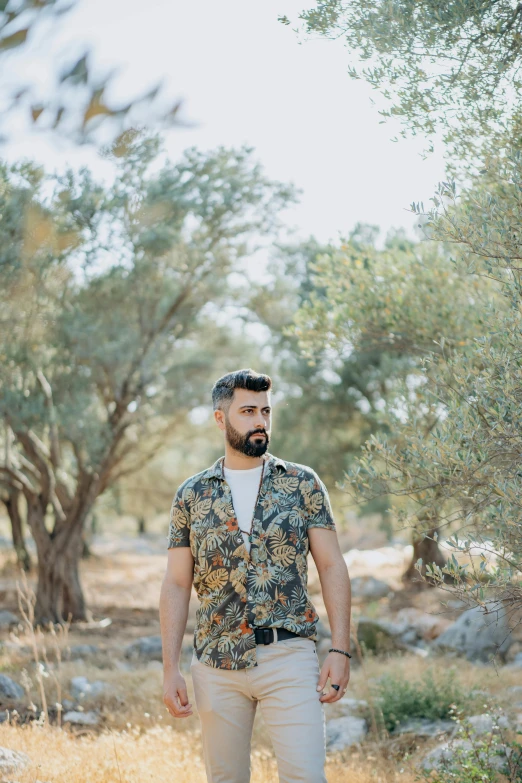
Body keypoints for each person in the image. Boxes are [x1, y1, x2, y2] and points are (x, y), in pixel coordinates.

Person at [160, 368, 352, 783]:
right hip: (216, 663)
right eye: (248, 411)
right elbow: (176, 583)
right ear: (220, 418)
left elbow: (332, 565)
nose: (260, 421)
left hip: (290, 657)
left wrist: (340, 649)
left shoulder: (303, 484)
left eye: (266, 411)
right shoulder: (192, 495)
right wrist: (169, 666)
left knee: (306, 776)